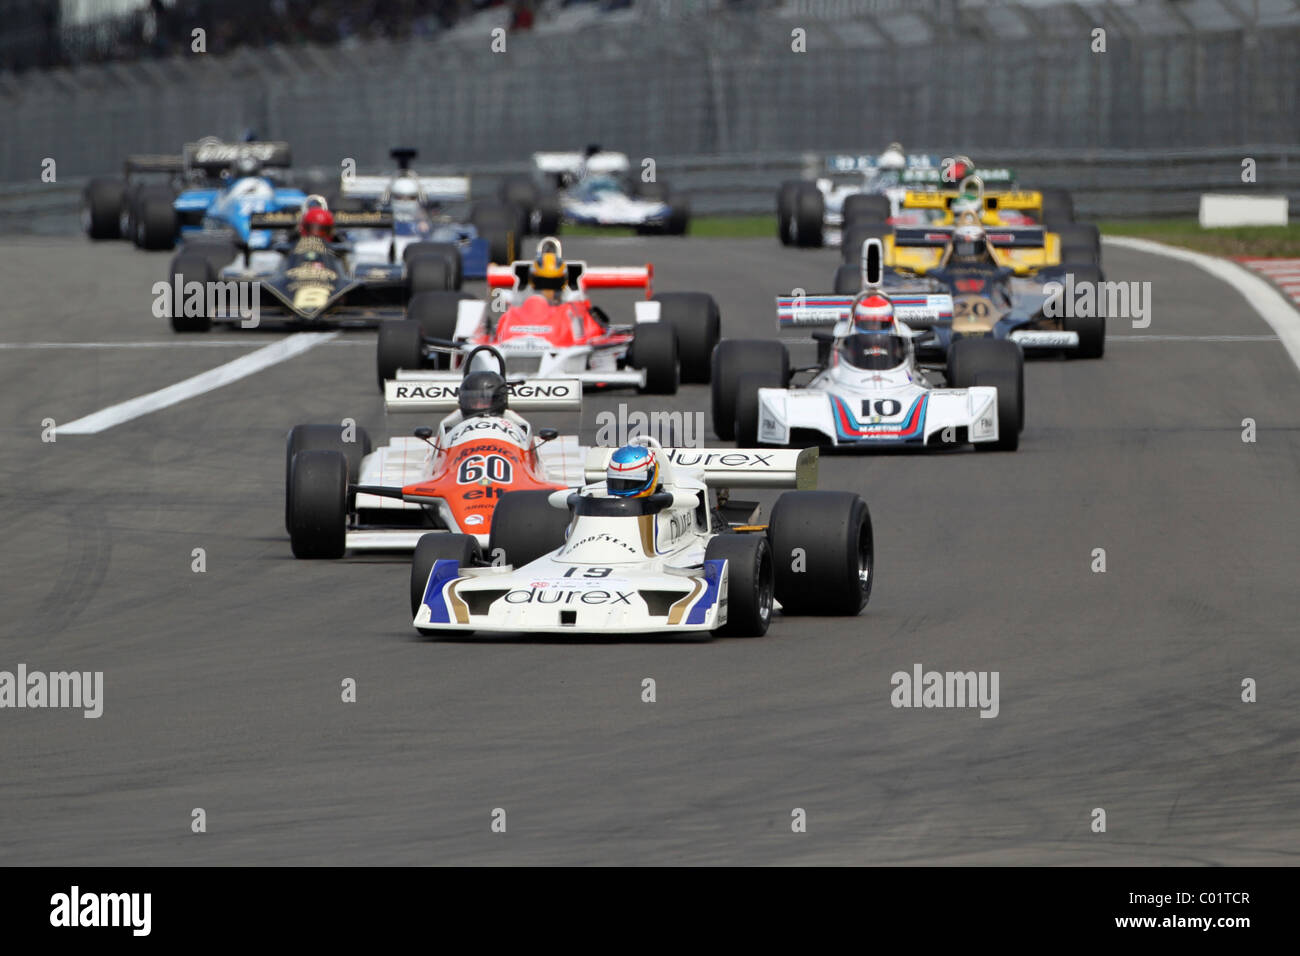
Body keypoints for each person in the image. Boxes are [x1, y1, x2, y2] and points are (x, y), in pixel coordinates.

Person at [834, 292, 909, 371]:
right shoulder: (843, 332)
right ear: (858, 321)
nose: (874, 327)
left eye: (880, 323)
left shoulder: (902, 332)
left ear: (890, 322)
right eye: (869, 323)